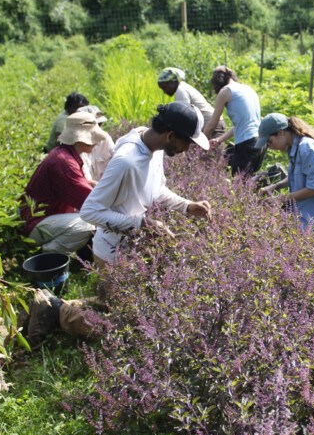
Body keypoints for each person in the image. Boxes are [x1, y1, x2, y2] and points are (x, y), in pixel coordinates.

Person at [22, 103, 213, 348]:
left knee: (121, 305)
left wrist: (187, 205)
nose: (187, 149)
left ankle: (71, 304)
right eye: (187, 143)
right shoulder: (127, 161)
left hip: (131, 247)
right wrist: (141, 223)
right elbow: (91, 211)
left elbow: (155, 190)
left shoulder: (150, 146)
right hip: (112, 253)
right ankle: (55, 310)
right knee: (123, 328)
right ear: (170, 135)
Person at [21, 111, 111, 256]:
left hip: (44, 217)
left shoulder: (64, 154)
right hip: (35, 223)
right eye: (92, 138)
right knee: (86, 225)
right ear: (80, 139)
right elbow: (90, 202)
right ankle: (48, 256)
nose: (97, 142)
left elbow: (79, 185)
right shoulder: (65, 163)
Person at [256, 113, 314, 232]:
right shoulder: (294, 148)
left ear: (280, 132)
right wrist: (275, 186)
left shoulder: (306, 147)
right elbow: (296, 177)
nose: (270, 146)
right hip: (305, 218)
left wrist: (280, 198)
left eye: (270, 141)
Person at [205, 66, 266, 175]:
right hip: (261, 142)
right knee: (247, 183)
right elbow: (242, 124)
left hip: (247, 144)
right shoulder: (248, 89)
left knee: (239, 185)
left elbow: (213, 124)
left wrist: (199, 142)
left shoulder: (226, 91)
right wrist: (219, 140)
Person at [157, 67, 225, 137]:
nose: (164, 92)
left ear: (172, 82)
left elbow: (183, 116)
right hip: (214, 123)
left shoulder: (181, 90)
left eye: (164, 87)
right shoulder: (183, 87)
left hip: (211, 125)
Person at [77, 104, 114, 182]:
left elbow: (115, 163)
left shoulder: (105, 138)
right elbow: (85, 179)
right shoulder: (77, 145)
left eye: (99, 125)